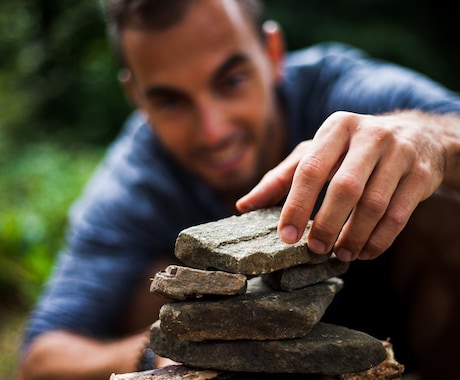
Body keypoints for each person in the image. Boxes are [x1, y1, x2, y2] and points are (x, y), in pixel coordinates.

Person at [16, 0, 460, 379]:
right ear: (136, 96)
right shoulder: (135, 182)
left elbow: (445, 128)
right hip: (231, 368)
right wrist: (167, 344)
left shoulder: (342, 89)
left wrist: (431, 138)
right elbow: (41, 357)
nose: (213, 131)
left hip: (410, 324)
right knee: (148, 289)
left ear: (271, 52)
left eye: (230, 81)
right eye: (170, 100)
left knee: (444, 205)